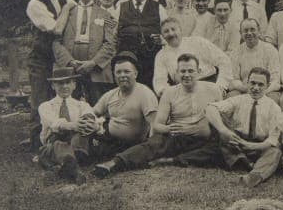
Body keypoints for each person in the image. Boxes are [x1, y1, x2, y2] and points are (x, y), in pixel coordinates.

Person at [93, 53, 224, 175]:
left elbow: (222, 118)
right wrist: (170, 129)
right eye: (182, 71)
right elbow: (157, 125)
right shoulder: (170, 93)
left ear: (199, 72)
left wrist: (206, 128)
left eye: (191, 71)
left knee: (222, 148)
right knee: (155, 143)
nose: (186, 75)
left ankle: (173, 160)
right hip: (177, 137)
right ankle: (114, 163)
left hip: (204, 139)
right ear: (177, 73)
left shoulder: (213, 90)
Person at [199, 66, 283, 186]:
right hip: (237, 143)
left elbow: (271, 140)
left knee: (275, 151)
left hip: (260, 147)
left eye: (260, 85)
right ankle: (248, 163)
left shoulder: (274, 108)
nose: (256, 88)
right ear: (247, 83)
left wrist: (252, 146)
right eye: (253, 83)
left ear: (267, 86)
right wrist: (223, 130)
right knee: (220, 129)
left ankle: (253, 176)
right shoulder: (238, 100)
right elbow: (210, 108)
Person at [25, 0, 75, 146]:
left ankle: (61, 138)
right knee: (40, 98)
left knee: (64, 95)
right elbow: (56, 29)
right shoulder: (35, 5)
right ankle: (37, 141)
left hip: (61, 57)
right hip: (41, 58)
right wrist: (67, 9)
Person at [53, 0, 117, 104]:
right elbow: (56, 42)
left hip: (96, 68)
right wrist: (69, 61)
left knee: (99, 107)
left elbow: (110, 44)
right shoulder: (67, 12)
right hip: (71, 66)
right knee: (69, 105)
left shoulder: (106, 15)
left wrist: (93, 63)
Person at [86, 52, 159, 162]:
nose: (122, 75)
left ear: (135, 74)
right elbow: (92, 112)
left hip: (133, 145)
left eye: (127, 71)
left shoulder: (145, 94)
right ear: (114, 75)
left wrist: (150, 150)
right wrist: (92, 124)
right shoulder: (111, 94)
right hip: (110, 140)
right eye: (118, 72)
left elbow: (154, 125)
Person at [36, 66, 94, 180]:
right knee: (58, 143)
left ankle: (67, 163)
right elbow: (54, 123)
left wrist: (88, 123)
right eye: (60, 83)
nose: (64, 86)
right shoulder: (46, 106)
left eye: (68, 82)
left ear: (74, 85)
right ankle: (73, 168)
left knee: (81, 133)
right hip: (54, 141)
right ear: (53, 86)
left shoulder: (82, 105)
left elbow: (90, 119)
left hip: (76, 143)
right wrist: (73, 125)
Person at [152, 16, 232, 95]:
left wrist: (220, 86)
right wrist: (169, 94)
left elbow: (224, 61)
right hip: (183, 91)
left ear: (180, 30)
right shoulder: (161, 55)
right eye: (166, 31)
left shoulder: (198, 42)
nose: (171, 33)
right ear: (162, 35)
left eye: (173, 29)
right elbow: (159, 81)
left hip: (209, 83)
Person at [114, 0, 164, 88]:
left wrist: (161, 39)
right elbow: (113, 34)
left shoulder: (158, 7)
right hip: (127, 58)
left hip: (150, 59)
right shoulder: (121, 7)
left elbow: (166, 30)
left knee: (150, 87)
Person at [228, 17, 283, 100]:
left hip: (266, 90)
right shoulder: (236, 52)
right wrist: (247, 89)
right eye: (245, 30)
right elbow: (234, 79)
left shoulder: (270, 50)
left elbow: (275, 79)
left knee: (273, 97)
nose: (249, 33)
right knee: (232, 96)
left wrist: (262, 91)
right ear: (240, 33)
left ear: (259, 30)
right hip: (244, 90)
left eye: (252, 29)